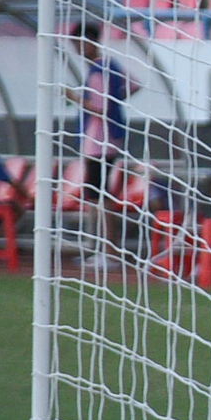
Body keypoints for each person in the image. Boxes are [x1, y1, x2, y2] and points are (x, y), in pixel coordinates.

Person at [59, 24, 134, 267]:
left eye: (79, 44)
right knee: (98, 194)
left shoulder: (98, 70)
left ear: (89, 42)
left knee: (97, 195)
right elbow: (133, 85)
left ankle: (108, 250)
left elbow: (99, 107)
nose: (78, 50)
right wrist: (116, 103)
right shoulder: (110, 66)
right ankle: (104, 249)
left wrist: (76, 98)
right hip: (108, 138)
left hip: (98, 140)